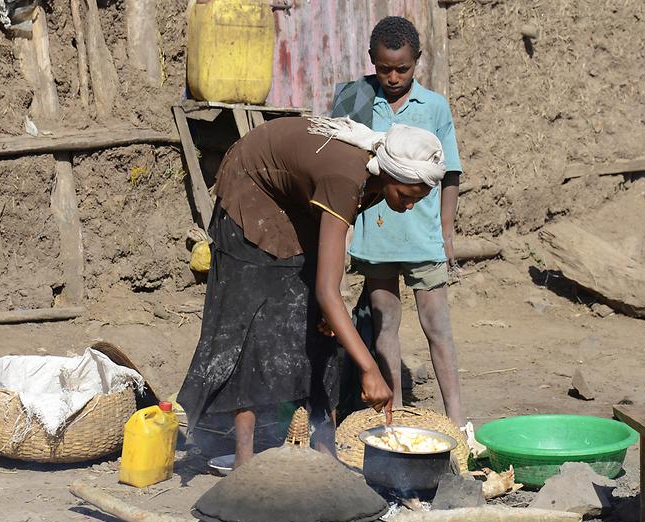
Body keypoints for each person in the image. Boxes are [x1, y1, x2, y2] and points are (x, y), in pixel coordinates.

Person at [177, 116, 446, 467]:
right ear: (391, 174)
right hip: (252, 189)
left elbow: (327, 278)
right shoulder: (345, 177)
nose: (409, 206)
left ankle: (325, 454)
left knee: (324, 329)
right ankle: (244, 461)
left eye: (418, 200)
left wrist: (327, 306)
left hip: (293, 200)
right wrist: (369, 367)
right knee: (253, 328)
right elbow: (326, 290)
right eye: (407, 196)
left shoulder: (377, 177)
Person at [332, 17, 467, 429]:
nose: (392, 77)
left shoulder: (435, 107)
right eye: (384, 68)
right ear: (371, 60)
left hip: (423, 236)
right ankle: (396, 419)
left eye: (402, 69)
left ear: (417, 63)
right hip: (376, 238)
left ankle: (458, 422)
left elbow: (451, 174)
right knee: (385, 327)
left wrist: (446, 231)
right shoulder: (356, 100)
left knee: (437, 328)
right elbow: (336, 163)